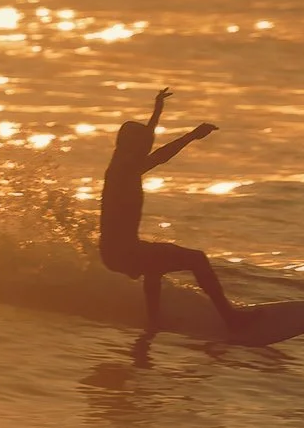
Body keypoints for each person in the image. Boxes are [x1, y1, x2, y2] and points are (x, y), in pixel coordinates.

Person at [99, 86, 236, 340]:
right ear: (132, 146)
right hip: (124, 252)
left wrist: (157, 110)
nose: (145, 146)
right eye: (141, 144)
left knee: (154, 265)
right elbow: (159, 156)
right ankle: (231, 318)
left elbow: (147, 141)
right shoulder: (126, 170)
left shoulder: (120, 163)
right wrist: (191, 136)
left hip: (116, 251)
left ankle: (153, 324)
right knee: (197, 259)